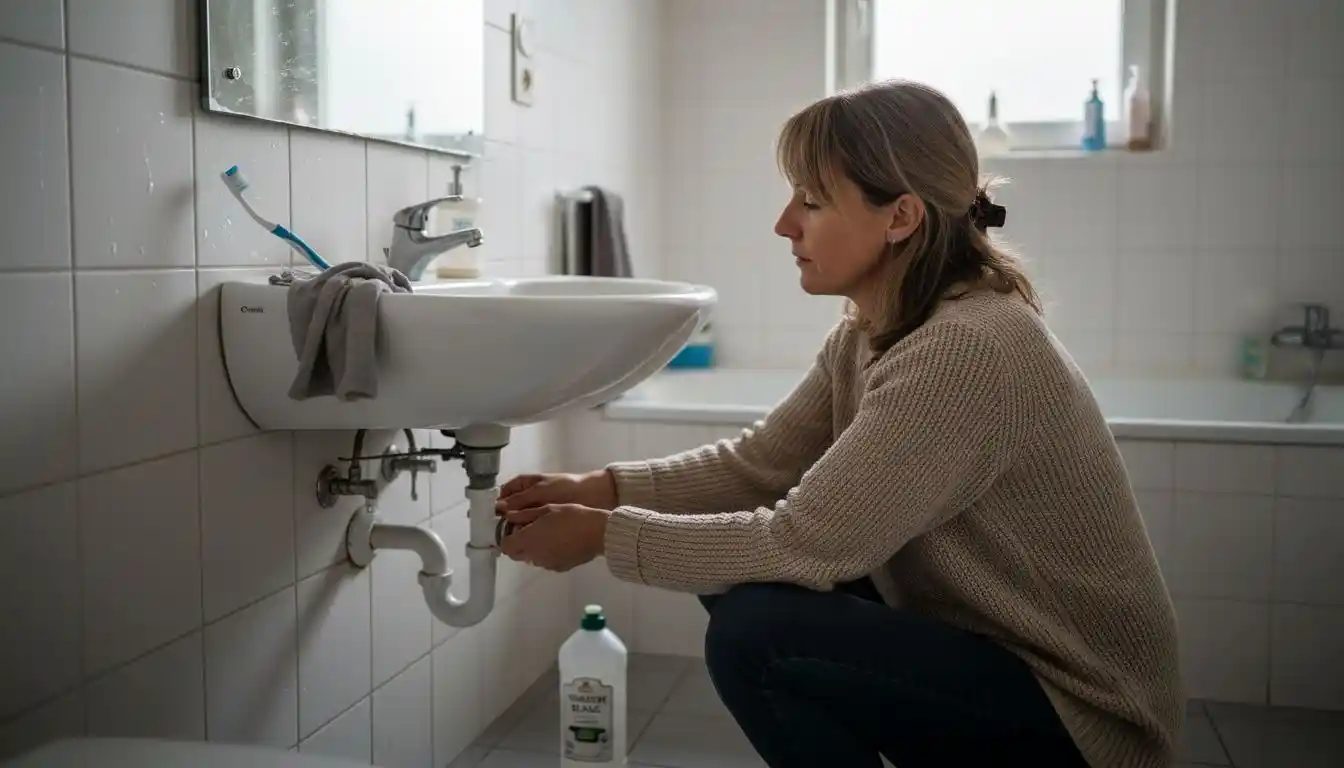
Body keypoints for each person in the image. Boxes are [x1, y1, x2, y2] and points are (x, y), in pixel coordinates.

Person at [493, 79, 1183, 768]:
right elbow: (757, 467)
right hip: (998, 660)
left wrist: (601, 536)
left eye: (812, 201)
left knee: (759, 633)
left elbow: (805, 544)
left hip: (1082, 716)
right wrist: (598, 488)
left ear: (900, 217)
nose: (785, 223)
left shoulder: (966, 345)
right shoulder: (876, 330)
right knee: (735, 585)